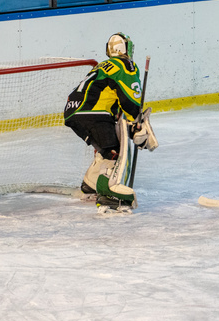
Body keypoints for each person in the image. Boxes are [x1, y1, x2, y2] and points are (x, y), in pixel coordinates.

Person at [64, 32, 157, 211]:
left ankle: (91, 184)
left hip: (74, 112)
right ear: (124, 48)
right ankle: (109, 195)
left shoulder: (104, 65)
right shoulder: (126, 64)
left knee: (106, 147)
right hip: (93, 112)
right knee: (114, 153)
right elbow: (129, 99)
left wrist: (131, 128)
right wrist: (137, 123)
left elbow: (115, 100)